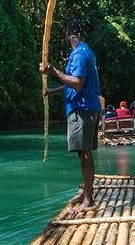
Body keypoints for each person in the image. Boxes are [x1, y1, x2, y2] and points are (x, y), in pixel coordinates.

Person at [40, 17, 102, 211]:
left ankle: (88, 201)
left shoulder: (80, 54)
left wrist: (52, 71)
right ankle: (87, 195)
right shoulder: (84, 52)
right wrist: (52, 91)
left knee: (84, 154)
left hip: (82, 109)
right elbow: (71, 83)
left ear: (69, 33)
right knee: (83, 153)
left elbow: (77, 83)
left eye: (65, 32)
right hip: (86, 107)